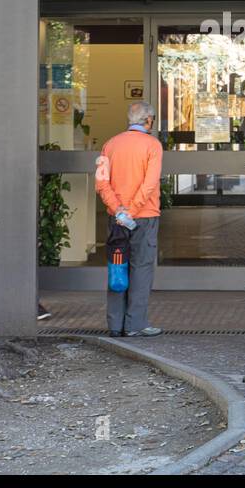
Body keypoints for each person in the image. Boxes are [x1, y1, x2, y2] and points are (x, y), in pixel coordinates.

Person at [95, 101, 164, 336]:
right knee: (141, 268)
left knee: (117, 266)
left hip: (116, 219)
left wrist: (118, 210)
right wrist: (131, 212)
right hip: (144, 217)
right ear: (149, 120)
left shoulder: (109, 145)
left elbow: (101, 183)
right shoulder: (153, 146)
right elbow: (150, 184)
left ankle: (115, 325)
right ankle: (136, 324)